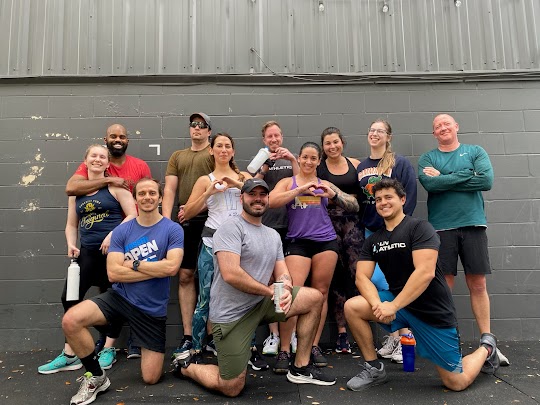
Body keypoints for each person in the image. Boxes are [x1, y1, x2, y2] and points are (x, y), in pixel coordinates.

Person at [173, 178, 336, 397]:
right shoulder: (230, 228)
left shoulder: (272, 235)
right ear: (242, 198)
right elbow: (231, 274)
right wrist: (270, 291)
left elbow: (282, 271)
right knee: (231, 387)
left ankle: (301, 368)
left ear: (268, 199)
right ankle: (186, 367)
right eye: (252, 194)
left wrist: (286, 288)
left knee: (314, 298)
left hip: (261, 304)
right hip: (232, 316)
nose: (258, 199)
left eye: (262, 194)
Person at [344, 178, 500, 392]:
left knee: (456, 382)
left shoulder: (420, 228)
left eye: (388, 197)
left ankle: (487, 347)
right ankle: (374, 369)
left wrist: (393, 306)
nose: (383, 202)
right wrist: (378, 304)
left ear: (402, 199)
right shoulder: (374, 240)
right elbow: (362, 277)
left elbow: (425, 273)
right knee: (353, 307)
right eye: (378, 199)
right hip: (399, 304)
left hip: (431, 312)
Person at [62, 178, 184, 405]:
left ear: (159, 197)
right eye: (142, 193)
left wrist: (134, 264)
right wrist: (155, 269)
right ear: (135, 198)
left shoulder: (172, 229)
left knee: (151, 378)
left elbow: (171, 268)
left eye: (152, 193)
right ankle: (96, 376)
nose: (147, 197)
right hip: (120, 297)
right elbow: (113, 274)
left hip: (151, 309)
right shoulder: (122, 230)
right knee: (71, 320)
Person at [418, 113, 509, 369]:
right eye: (437, 126)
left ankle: (488, 343)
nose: (443, 128)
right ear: (434, 133)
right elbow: (431, 185)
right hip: (441, 229)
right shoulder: (428, 158)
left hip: (473, 225)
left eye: (446, 123)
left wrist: (444, 177)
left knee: (478, 284)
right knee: (443, 285)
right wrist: (466, 175)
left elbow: (486, 181)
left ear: (456, 126)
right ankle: (447, 341)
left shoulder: (475, 151)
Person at [38, 145, 137, 375]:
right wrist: (71, 243)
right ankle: (70, 354)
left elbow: (133, 215)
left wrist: (113, 235)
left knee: (115, 299)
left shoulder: (115, 187)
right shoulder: (77, 193)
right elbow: (71, 224)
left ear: (107, 163)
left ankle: (108, 349)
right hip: (87, 253)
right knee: (69, 298)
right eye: (94, 156)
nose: (98, 159)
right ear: (86, 161)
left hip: (113, 253)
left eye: (102, 157)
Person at [269, 142, 359, 374]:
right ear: (298, 158)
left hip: (325, 241)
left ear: (319, 161)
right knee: (291, 293)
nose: (308, 162)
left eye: (313, 158)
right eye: (305, 157)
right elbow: (271, 201)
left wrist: (333, 194)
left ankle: (313, 346)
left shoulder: (324, 183)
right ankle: (285, 349)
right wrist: (299, 190)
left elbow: (354, 205)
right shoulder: (289, 182)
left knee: (321, 293)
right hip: (298, 241)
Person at [180, 133, 267, 369]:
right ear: (211, 150)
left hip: (242, 244)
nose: (223, 150)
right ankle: (196, 349)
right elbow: (187, 213)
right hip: (212, 242)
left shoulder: (244, 177)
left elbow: (257, 199)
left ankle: (250, 348)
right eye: (219, 146)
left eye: (228, 146)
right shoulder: (204, 179)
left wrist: (236, 184)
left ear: (233, 151)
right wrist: (209, 191)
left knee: (247, 297)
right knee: (205, 297)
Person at [65, 123, 152, 359]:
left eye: (122, 136)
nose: (117, 139)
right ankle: (102, 342)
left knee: (131, 291)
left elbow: (145, 198)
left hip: (130, 238)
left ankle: (133, 341)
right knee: (99, 293)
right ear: (105, 140)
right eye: (113, 136)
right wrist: (108, 180)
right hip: (96, 245)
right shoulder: (99, 166)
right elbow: (71, 188)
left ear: (127, 140)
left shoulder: (139, 166)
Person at [356, 119, 417, 363]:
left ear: (388, 136)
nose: (375, 134)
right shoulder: (362, 166)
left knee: (396, 282)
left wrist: (399, 228)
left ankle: (406, 337)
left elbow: (409, 196)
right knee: (377, 283)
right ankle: (393, 335)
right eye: (372, 130)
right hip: (371, 232)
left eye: (380, 131)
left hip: (394, 232)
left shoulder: (399, 163)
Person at [162, 113, 214, 359]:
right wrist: (165, 222)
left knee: (212, 278)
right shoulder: (177, 156)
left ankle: (212, 336)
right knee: (185, 276)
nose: (197, 128)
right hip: (185, 221)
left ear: (209, 131)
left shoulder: (215, 153)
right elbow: (170, 189)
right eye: (193, 124)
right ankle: (188, 336)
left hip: (212, 219)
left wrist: (196, 206)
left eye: (202, 125)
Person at [252, 121, 299, 357]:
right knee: (269, 279)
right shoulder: (261, 159)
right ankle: (274, 335)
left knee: (288, 279)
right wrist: (266, 164)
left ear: (282, 136)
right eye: (269, 136)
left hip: (291, 226)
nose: (274, 139)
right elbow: (253, 185)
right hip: (267, 226)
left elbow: (302, 181)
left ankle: (291, 334)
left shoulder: (292, 160)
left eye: (277, 135)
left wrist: (292, 159)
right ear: (264, 140)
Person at [317, 127, 362, 354]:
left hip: (354, 225)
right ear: (323, 147)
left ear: (342, 142)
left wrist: (338, 196)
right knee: (335, 277)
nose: (332, 146)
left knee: (357, 274)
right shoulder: (319, 167)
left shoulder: (355, 164)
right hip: (328, 224)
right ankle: (342, 333)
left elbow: (360, 200)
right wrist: (346, 198)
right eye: (327, 143)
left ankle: (360, 329)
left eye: (335, 142)